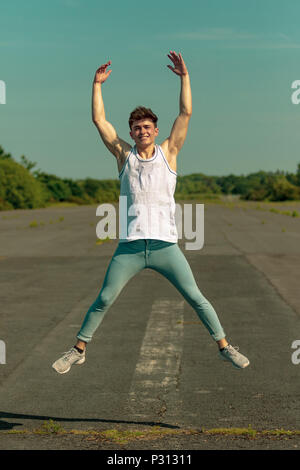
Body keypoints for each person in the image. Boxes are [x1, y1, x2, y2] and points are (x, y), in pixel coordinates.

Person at [52, 51, 249, 374]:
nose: (141, 130)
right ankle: (78, 349)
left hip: (164, 246)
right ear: (130, 133)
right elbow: (99, 121)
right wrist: (96, 84)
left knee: (196, 297)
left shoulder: (169, 152)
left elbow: (185, 112)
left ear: (156, 130)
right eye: (135, 127)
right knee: (104, 298)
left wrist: (185, 76)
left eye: (146, 126)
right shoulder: (123, 155)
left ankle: (224, 347)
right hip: (129, 246)